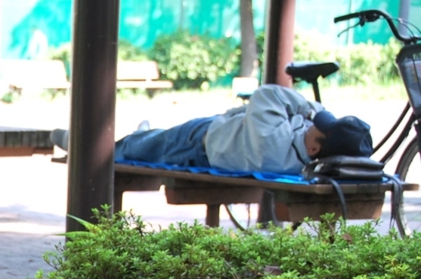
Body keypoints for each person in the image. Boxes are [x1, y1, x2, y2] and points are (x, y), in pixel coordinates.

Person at [50, 84, 373, 176]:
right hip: (223, 138)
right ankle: (142, 135)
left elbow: (267, 93)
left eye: (319, 129)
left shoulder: (271, 140)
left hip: (198, 141)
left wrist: (313, 109)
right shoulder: (303, 161)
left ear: (315, 149)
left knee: (129, 152)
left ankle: (78, 144)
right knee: (150, 141)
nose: (315, 122)